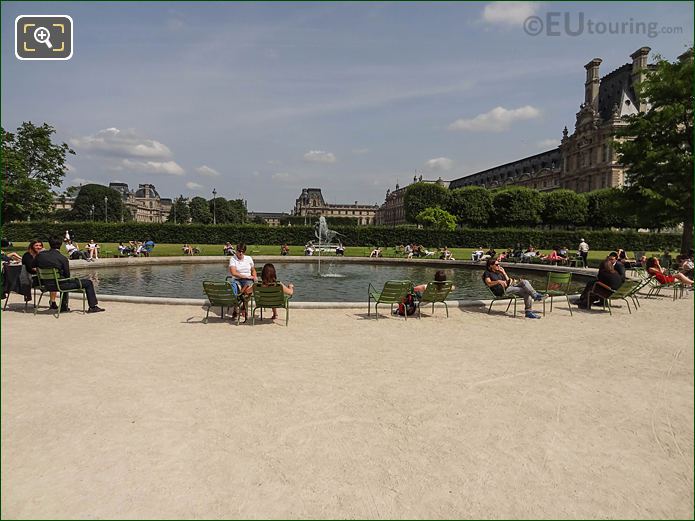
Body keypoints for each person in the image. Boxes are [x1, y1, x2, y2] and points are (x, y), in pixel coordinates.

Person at [32, 236, 105, 313]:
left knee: (62, 280)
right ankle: (92, 307)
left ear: (49, 244)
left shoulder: (40, 255)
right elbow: (67, 275)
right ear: (60, 245)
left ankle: (64, 307)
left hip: (45, 284)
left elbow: (32, 265)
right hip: (59, 285)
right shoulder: (62, 258)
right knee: (88, 283)